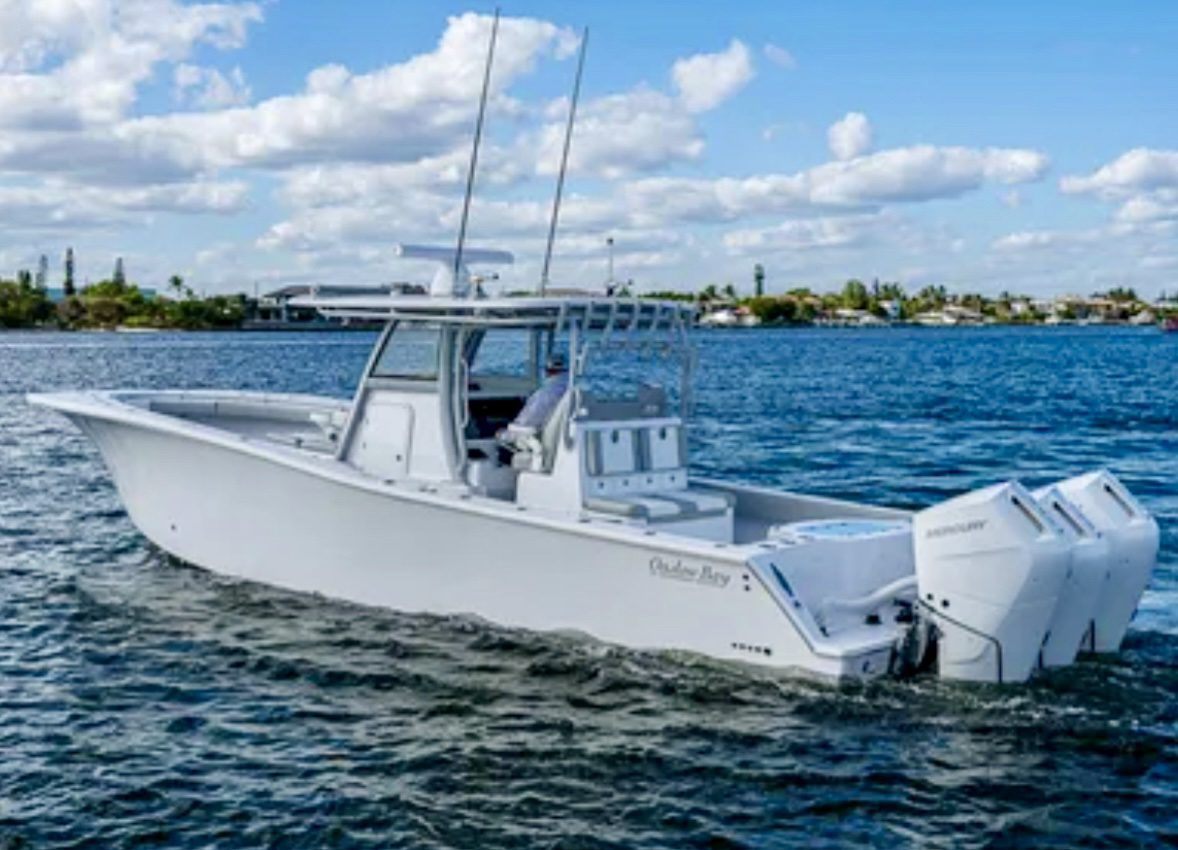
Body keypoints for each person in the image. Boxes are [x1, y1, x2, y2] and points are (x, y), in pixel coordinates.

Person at [511, 353, 569, 431]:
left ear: (548, 371)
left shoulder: (547, 393)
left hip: (534, 434)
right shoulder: (572, 389)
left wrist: (505, 434)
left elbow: (527, 422)